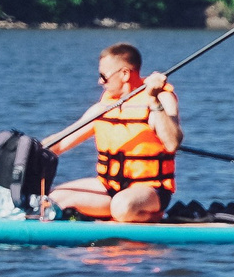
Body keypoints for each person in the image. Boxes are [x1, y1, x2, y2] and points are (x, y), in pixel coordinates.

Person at [50, 43, 182, 222]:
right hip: (110, 188)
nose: (99, 82)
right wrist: (29, 150)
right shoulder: (104, 106)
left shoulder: (161, 98)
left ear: (125, 74)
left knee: (122, 206)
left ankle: (149, 217)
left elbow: (172, 143)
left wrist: (153, 100)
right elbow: (60, 143)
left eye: (103, 76)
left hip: (150, 191)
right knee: (55, 199)